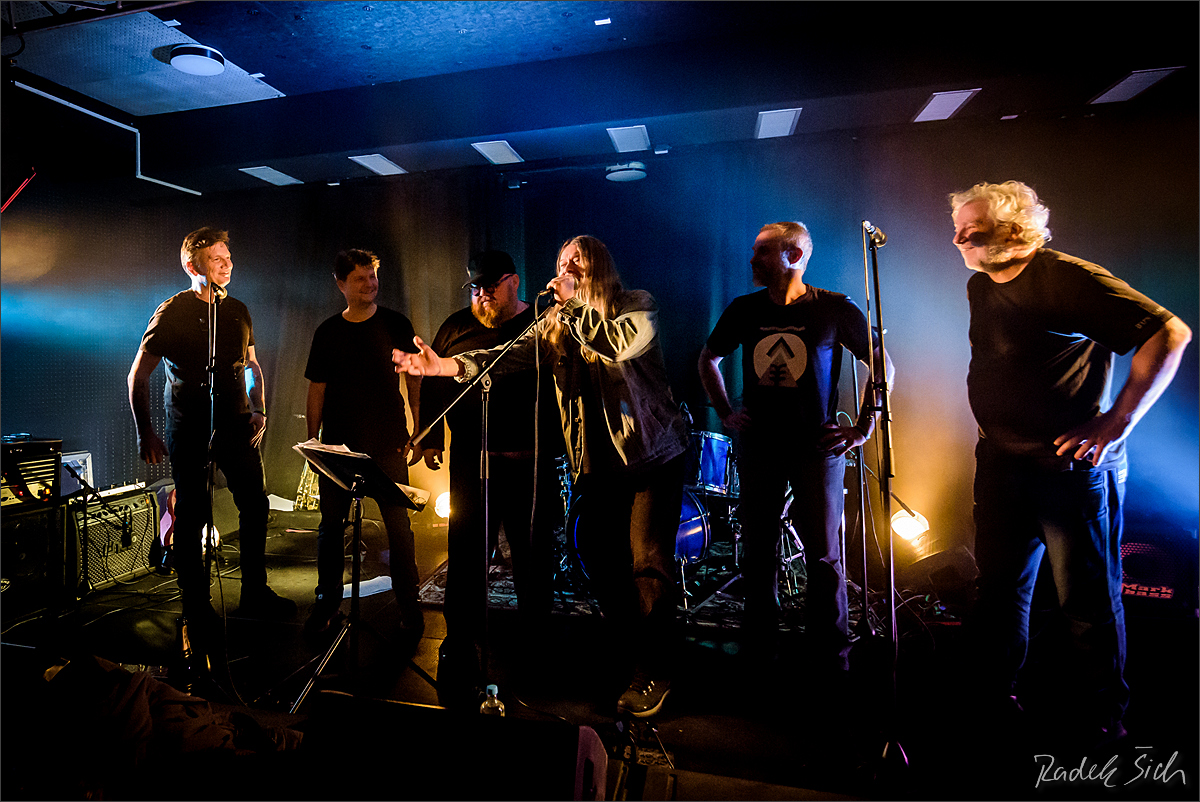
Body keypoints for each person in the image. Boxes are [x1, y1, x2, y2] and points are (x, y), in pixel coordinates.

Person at [394, 236, 688, 718]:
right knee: (600, 560)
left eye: (576, 262)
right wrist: (442, 366)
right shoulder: (557, 324)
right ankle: (629, 652)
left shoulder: (636, 306)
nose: (565, 270)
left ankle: (653, 671)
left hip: (649, 459)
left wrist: (568, 307)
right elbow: (503, 357)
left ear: (598, 266)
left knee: (647, 565)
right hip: (598, 466)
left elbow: (617, 346)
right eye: (560, 263)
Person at [948, 181, 1191, 745]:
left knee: (1086, 602)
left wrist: (1118, 421)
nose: (958, 240)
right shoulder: (980, 284)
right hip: (1002, 466)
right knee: (999, 592)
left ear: (1014, 230)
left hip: (1068, 471)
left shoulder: (1067, 277)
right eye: (957, 229)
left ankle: (1103, 721)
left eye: (972, 231)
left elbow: (1169, 333)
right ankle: (995, 702)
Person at [698, 221, 893, 674]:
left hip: (816, 449)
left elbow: (881, 361)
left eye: (763, 250)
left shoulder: (833, 308)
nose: (753, 258)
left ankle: (831, 659)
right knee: (758, 553)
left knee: (824, 555)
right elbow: (708, 358)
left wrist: (864, 426)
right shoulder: (745, 309)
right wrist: (725, 411)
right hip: (760, 447)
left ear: (795, 256)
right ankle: (759, 653)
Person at [128, 227, 295, 651]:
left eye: (228, 257)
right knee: (193, 514)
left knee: (254, 505)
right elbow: (138, 375)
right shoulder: (172, 312)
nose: (227, 265)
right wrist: (145, 431)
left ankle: (254, 592)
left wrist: (258, 407)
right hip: (190, 427)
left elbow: (251, 364)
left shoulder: (237, 310)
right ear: (192, 265)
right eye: (217, 259)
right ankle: (196, 606)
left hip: (236, 424)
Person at [409, 251, 561, 686]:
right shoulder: (456, 325)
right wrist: (431, 436)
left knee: (533, 558)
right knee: (466, 556)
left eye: (491, 286)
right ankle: (459, 642)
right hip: (472, 462)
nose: (482, 295)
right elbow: (434, 378)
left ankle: (535, 644)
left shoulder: (543, 323)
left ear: (514, 282)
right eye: (475, 288)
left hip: (529, 463)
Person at [303, 249, 425, 642]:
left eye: (372, 276)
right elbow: (316, 389)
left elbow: (415, 379)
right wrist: (314, 442)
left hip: (388, 444)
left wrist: (419, 429)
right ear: (341, 284)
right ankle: (326, 604)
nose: (370, 284)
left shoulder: (395, 323)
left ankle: (409, 604)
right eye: (360, 278)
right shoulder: (327, 331)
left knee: (399, 527)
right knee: (330, 528)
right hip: (339, 447)